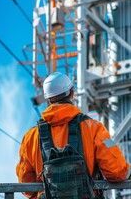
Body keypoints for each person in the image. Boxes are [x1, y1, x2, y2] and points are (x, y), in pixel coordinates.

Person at [16, 71, 131, 199]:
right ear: (71, 93)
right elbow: (117, 172)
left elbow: (26, 184)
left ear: (48, 98)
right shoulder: (94, 128)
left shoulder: (30, 137)